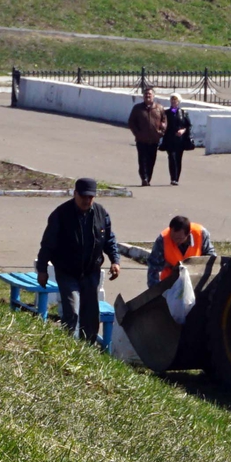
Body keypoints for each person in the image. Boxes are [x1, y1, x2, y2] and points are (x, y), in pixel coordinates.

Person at [36, 177, 120, 342]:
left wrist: (115, 261)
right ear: (75, 194)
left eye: (90, 197)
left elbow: (109, 239)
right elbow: (47, 245)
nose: (86, 200)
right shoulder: (60, 214)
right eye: (83, 196)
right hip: (67, 272)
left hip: (91, 271)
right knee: (72, 311)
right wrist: (42, 270)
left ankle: (88, 350)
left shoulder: (101, 213)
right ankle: (69, 348)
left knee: (91, 315)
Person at [146, 215, 216, 287]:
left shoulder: (201, 234)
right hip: (170, 283)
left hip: (195, 281)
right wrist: (154, 290)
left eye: (179, 238)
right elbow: (153, 266)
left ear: (188, 234)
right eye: (173, 237)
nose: (175, 241)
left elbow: (211, 258)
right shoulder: (163, 238)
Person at [127, 86, 167, 187]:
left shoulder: (159, 108)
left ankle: (148, 178)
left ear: (153, 96)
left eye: (149, 94)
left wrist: (161, 132)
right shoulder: (137, 108)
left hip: (154, 139)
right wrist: (137, 133)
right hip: (141, 140)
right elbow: (131, 122)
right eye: (146, 94)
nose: (147, 96)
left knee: (151, 161)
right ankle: (144, 178)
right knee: (142, 160)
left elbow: (164, 121)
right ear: (143, 97)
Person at [159, 93, 194, 185]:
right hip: (169, 139)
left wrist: (183, 130)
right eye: (172, 100)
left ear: (178, 102)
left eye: (175, 100)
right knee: (172, 157)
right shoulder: (166, 113)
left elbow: (188, 125)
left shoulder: (183, 113)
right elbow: (162, 123)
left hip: (180, 140)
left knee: (178, 159)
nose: (174, 102)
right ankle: (173, 178)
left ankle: (176, 178)